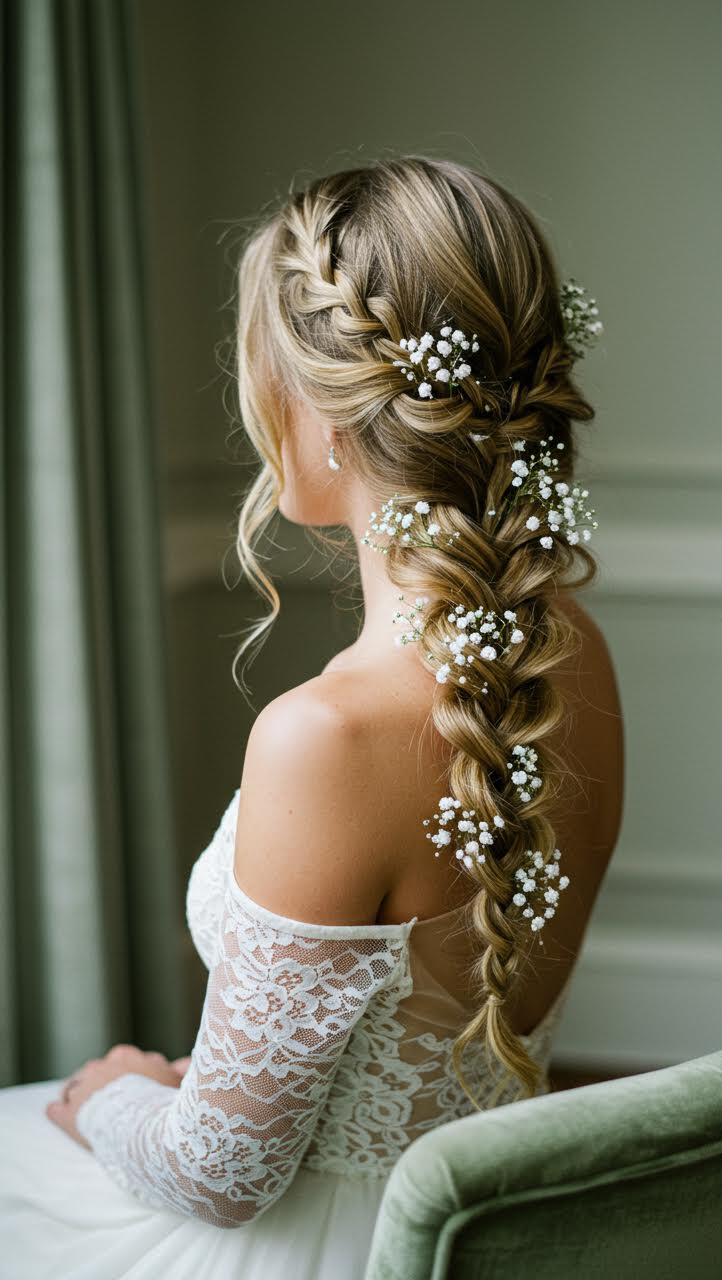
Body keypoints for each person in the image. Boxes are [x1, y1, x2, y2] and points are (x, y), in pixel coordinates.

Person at [0, 155, 624, 1278]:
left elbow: (222, 1176)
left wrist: (109, 1097)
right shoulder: (570, 650)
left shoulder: (325, 735)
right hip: (480, 1222)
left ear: (326, 414)